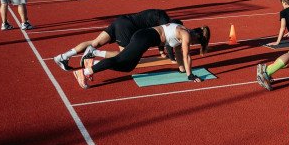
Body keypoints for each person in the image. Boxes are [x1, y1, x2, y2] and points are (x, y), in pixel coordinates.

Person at [72, 23, 211, 88]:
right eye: (196, 42)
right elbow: (186, 55)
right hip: (144, 37)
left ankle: (93, 64)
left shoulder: (183, 33)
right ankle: (84, 72)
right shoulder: (185, 34)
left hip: (145, 38)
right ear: (196, 35)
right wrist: (190, 75)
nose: (193, 44)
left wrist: (182, 70)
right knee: (120, 59)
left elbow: (180, 54)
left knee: (128, 67)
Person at [53, 8, 171, 70]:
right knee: (124, 56)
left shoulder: (159, 13)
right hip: (126, 27)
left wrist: (161, 52)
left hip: (120, 21)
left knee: (95, 42)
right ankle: (93, 53)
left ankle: (63, 57)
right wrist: (168, 54)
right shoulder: (166, 22)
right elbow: (164, 36)